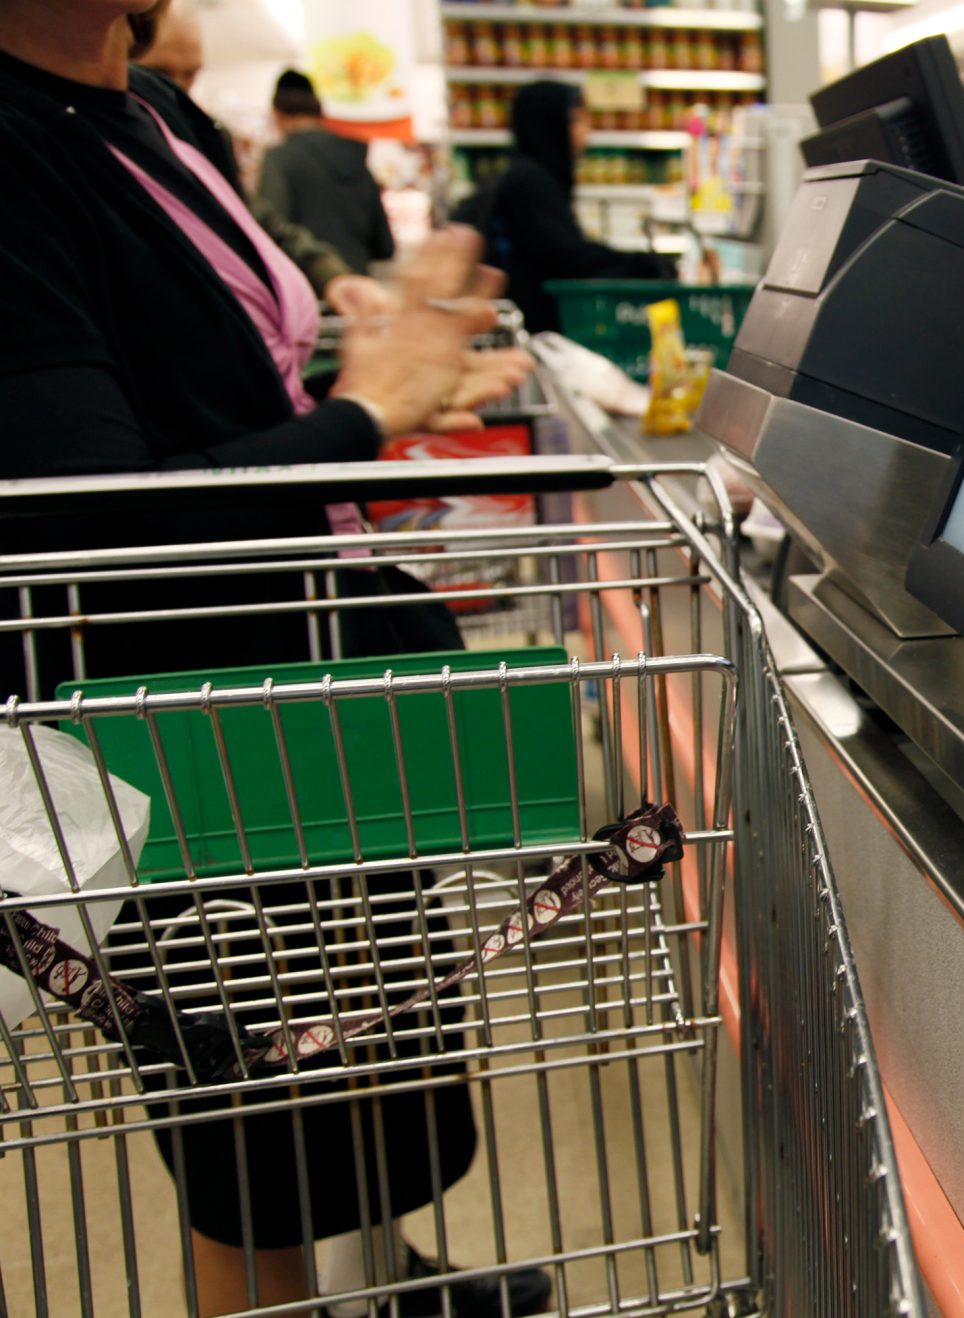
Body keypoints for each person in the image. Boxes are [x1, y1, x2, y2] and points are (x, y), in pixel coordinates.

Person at [0, 3, 545, 1315]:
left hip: (292, 689)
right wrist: (365, 413)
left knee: (349, 1097)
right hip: (182, 730)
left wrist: (341, 347)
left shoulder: (140, 109)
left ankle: (377, 1284)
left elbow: (192, 374)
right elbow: (76, 512)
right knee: (250, 1146)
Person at [134, 3, 385, 314]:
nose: (178, 89)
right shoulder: (108, 141)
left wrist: (330, 275)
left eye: (191, 73)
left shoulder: (202, 137)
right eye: (159, 73)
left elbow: (256, 220)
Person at [454, 79, 662, 333]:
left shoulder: (524, 176)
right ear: (550, 124)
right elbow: (572, 257)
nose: (586, 133)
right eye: (576, 121)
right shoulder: (530, 182)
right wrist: (645, 265)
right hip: (529, 329)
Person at [258, 69, 398, 278]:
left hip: (310, 292)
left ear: (278, 115)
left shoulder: (279, 160)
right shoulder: (357, 158)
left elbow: (270, 235)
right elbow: (384, 246)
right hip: (360, 291)